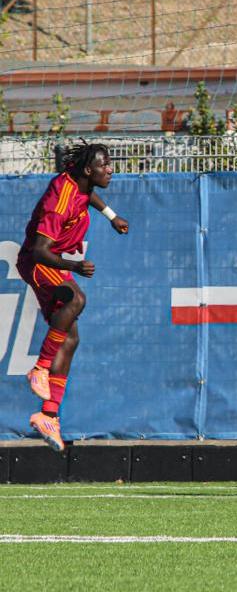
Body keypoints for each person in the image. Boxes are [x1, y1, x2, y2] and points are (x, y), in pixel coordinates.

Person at [17, 143, 129, 452]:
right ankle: (39, 367)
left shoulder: (81, 185)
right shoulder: (61, 198)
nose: (111, 169)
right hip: (38, 262)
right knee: (76, 300)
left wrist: (111, 215)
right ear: (88, 170)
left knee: (70, 338)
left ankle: (48, 415)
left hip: (51, 260)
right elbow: (39, 250)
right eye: (105, 164)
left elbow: (88, 195)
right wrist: (75, 266)